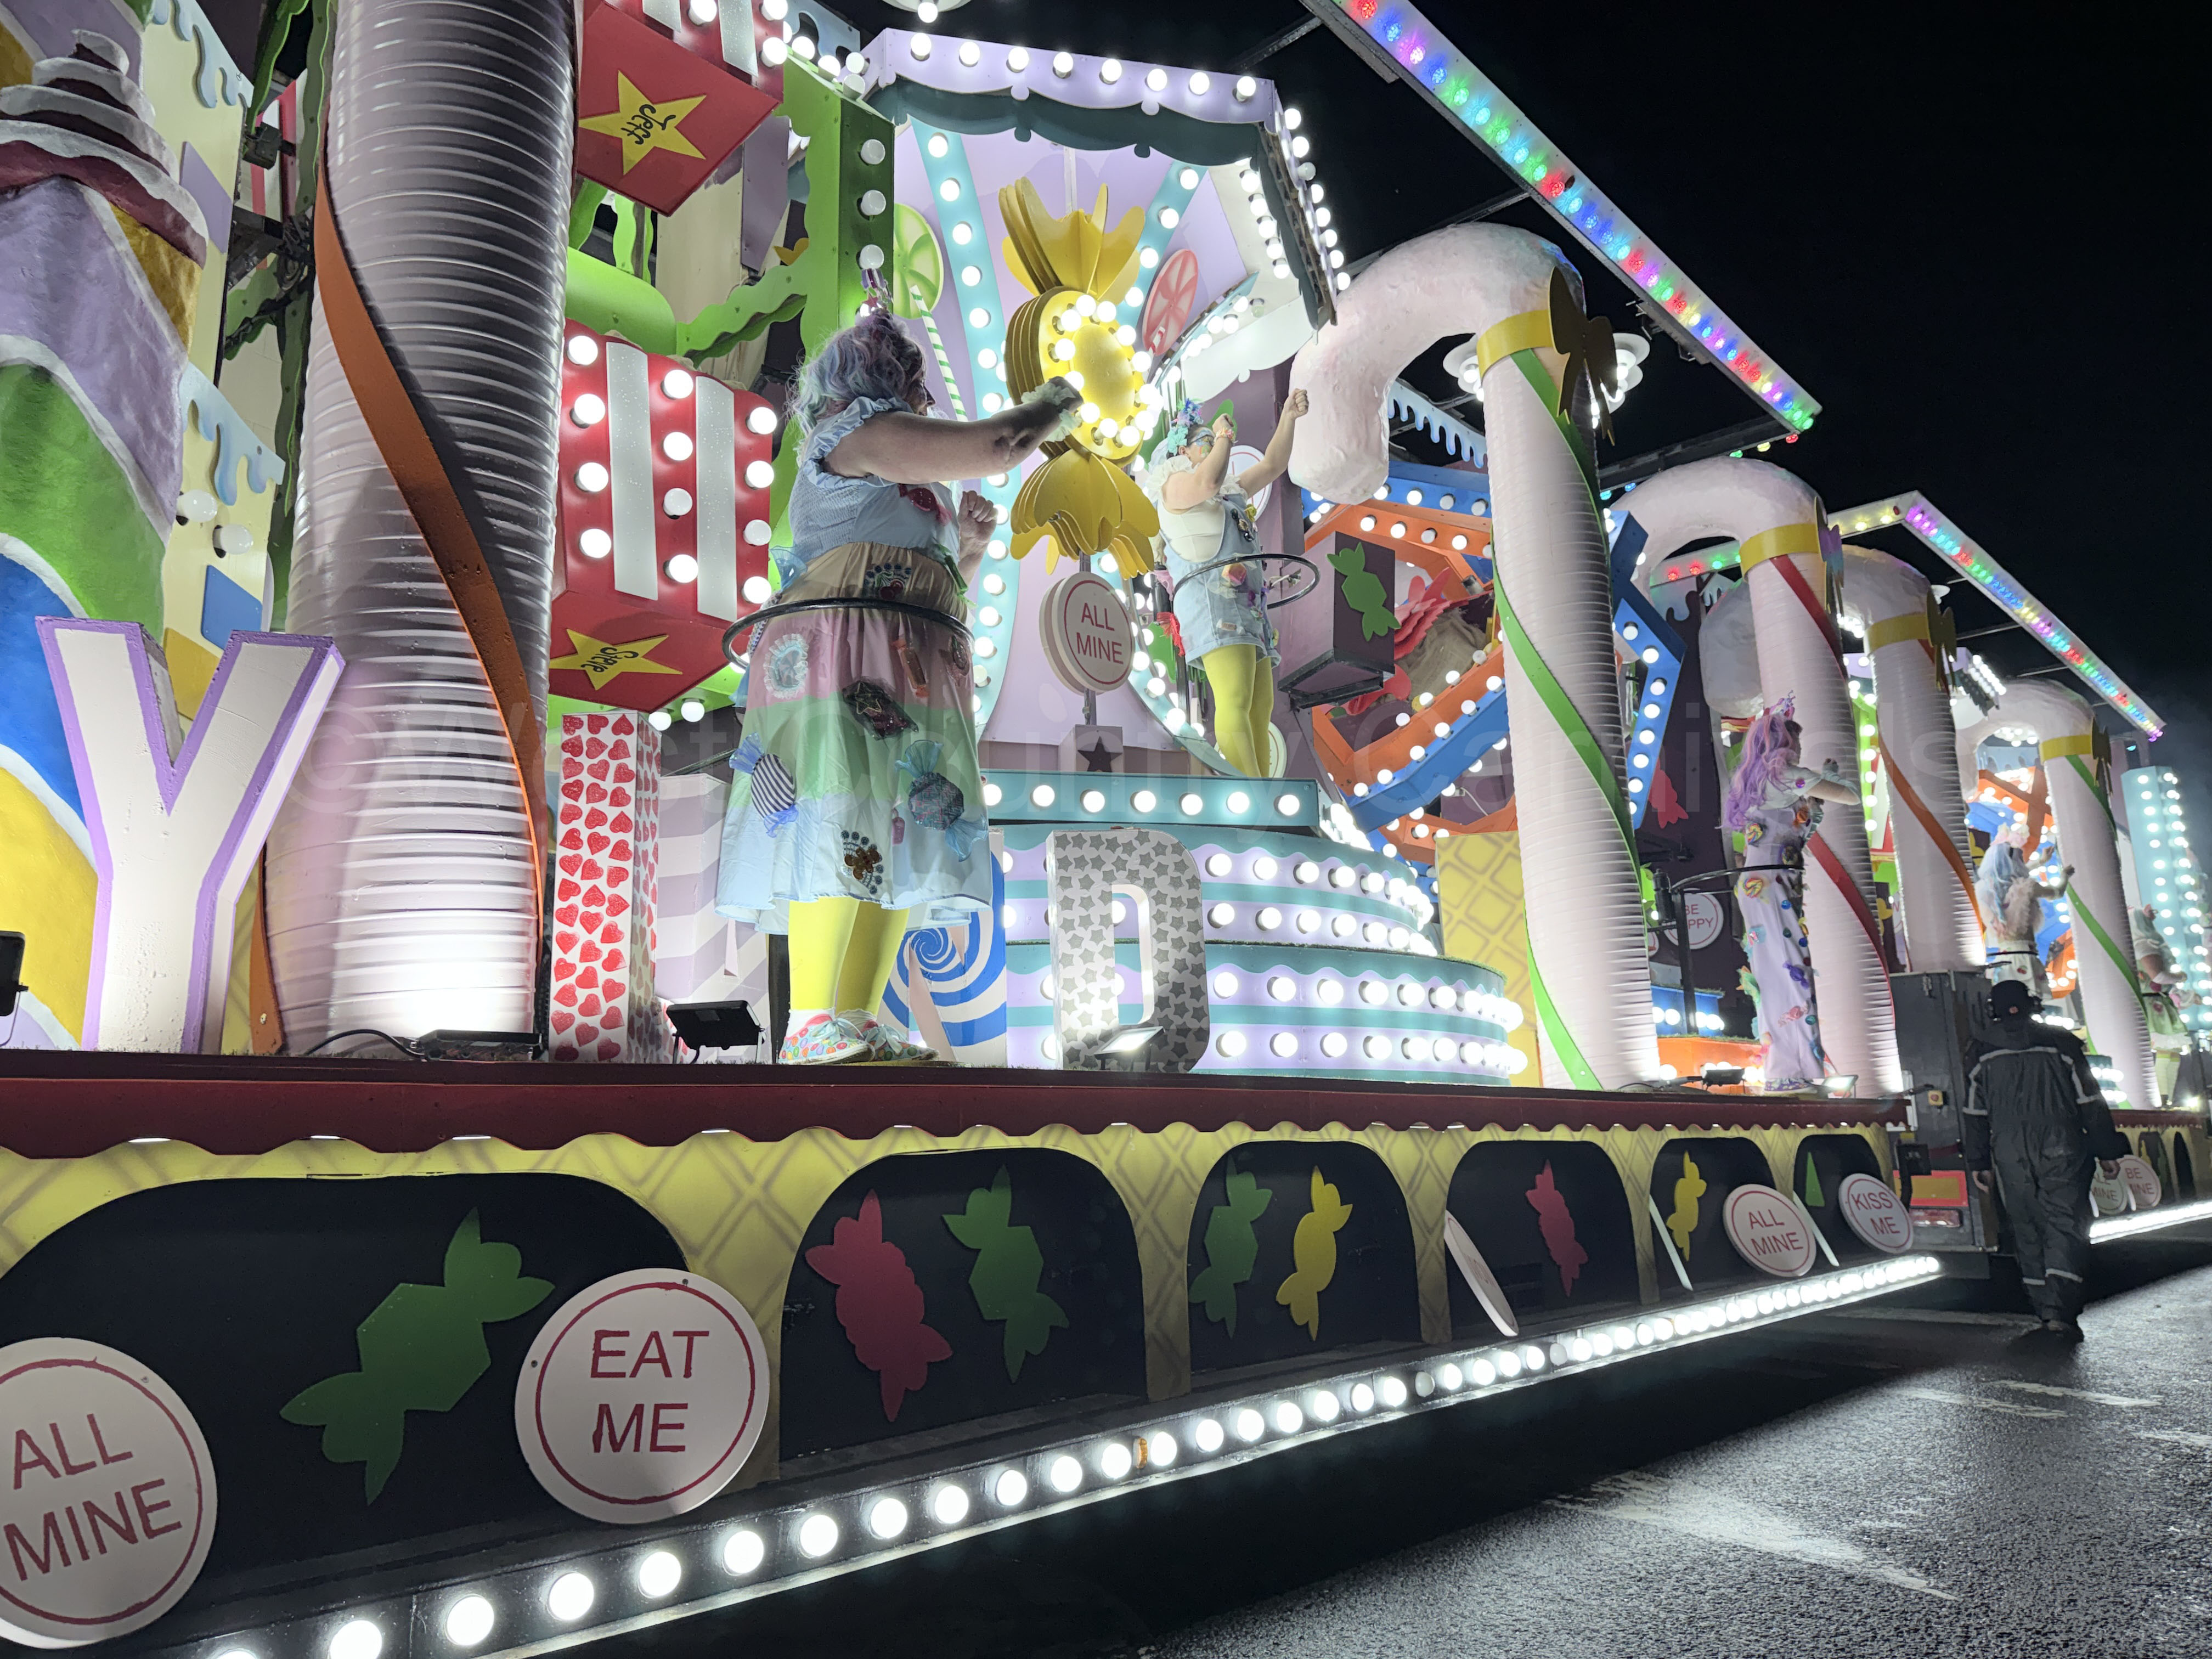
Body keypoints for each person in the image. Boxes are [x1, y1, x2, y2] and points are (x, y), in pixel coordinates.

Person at [718, 297, 1082, 1065]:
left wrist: (968, 547)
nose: (923, 393)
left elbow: (928, 586)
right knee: (841, 812)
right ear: (879, 380)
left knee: (897, 829)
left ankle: (853, 1017)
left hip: (902, 664)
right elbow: (1000, 443)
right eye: (912, 377)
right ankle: (811, 1020)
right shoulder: (856, 436)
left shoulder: (894, 462)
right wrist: (1056, 401)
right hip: (843, 659)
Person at [1137, 391, 1307, 777]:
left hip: (1248, 608)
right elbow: (1208, 479)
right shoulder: (1173, 487)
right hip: (1213, 607)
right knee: (1234, 697)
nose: (1213, 445)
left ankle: (1262, 786)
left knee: (1260, 706)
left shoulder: (1227, 495)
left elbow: (1272, 465)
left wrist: (1289, 418)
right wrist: (1224, 438)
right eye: (1204, 441)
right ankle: (1252, 793)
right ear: (1181, 452)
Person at [1964, 977, 2128, 1338]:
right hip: (2062, 1145)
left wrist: (1979, 1163)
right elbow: (2090, 1102)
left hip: (2008, 1152)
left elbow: (1975, 1113)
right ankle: (2060, 1311)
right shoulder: (2062, 1044)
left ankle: (2042, 1306)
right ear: (2031, 1004)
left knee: (2027, 1226)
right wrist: (2108, 1152)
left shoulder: (1981, 1051)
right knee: (2065, 1224)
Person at [1720, 698, 1858, 1091]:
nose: (1797, 749)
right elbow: (1850, 796)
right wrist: (1829, 778)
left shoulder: (1762, 782)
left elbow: (1799, 833)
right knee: (1788, 971)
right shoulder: (1783, 776)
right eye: (1795, 742)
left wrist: (1817, 792)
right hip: (1770, 883)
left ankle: (1790, 1067)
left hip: (1771, 882)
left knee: (1778, 973)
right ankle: (1793, 1071)